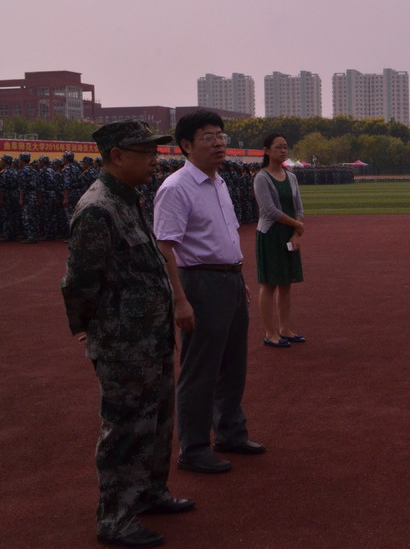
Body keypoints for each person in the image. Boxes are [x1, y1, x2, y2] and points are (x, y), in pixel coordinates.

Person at [61, 120, 194, 548]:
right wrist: (89, 327)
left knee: (157, 421)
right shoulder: (98, 208)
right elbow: (79, 281)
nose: (155, 160)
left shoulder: (129, 199)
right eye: (146, 152)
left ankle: (151, 493)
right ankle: (116, 518)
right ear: (117, 156)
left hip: (150, 336)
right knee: (124, 430)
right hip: (124, 343)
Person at [154, 110, 265, 475]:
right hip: (199, 284)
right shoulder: (176, 188)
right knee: (200, 370)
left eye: (221, 135)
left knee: (233, 365)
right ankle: (194, 447)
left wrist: (237, 277)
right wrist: (179, 300)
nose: (219, 143)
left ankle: (230, 432)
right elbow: (164, 248)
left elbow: (224, 237)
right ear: (186, 145)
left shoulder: (218, 182)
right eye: (208, 137)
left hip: (229, 280)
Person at [253, 133, 306, 348]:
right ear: (267, 151)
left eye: (285, 147)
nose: (283, 151)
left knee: (286, 283)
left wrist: (296, 233)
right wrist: (296, 225)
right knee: (269, 284)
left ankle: (284, 328)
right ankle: (270, 332)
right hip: (270, 235)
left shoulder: (291, 177)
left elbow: (299, 208)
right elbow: (269, 210)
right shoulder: (262, 178)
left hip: (289, 234)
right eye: (278, 147)